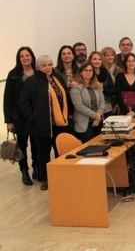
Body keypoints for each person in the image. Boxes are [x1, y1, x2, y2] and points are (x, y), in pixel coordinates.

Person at [20, 55, 69, 190]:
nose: (48, 67)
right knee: (43, 153)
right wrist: (32, 117)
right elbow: (24, 101)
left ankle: (60, 175)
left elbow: (65, 96)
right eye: (44, 65)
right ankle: (45, 178)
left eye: (50, 64)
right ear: (38, 67)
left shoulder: (57, 78)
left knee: (60, 151)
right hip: (41, 124)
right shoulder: (32, 81)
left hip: (59, 123)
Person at [4, 47, 37, 185]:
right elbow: (7, 99)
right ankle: (24, 171)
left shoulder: (38, 72)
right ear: (19, 58)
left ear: (32, 57)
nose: (25, 58)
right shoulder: (13, 75)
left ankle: (37, 168)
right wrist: (9, 121)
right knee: (22, 146)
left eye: (27, 55)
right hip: (20, 118)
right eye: (22, 56)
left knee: (36, 145)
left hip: (36, 116)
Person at [70, 62, 105, 143]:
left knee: (102, 146)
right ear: (81, 73)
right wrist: (95, 115)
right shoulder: (76, 87)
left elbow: (102, 102)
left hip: (98, 121)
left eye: (90, 70)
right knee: (90, 148)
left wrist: (98, 115)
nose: (88, 72)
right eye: (86, 70)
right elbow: (79, 106)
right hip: (84, 123)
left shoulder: (97, 86)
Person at [115, 53, 135, 117]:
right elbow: (118, 95)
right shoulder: (119, 76)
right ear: (125, 63)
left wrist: (134, 111)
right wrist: (126, 111)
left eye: (133, 61)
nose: (131, 63)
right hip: (123, 110)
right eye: (129, 61)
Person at [87, 51, 115, 119]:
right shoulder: (87, 72)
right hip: (92, 107)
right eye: (94, 59)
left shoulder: (106, 72)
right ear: (90, 60)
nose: (97, 61)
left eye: (99, 59)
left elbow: (113, 90)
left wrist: (101, 88)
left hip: (107, 106)